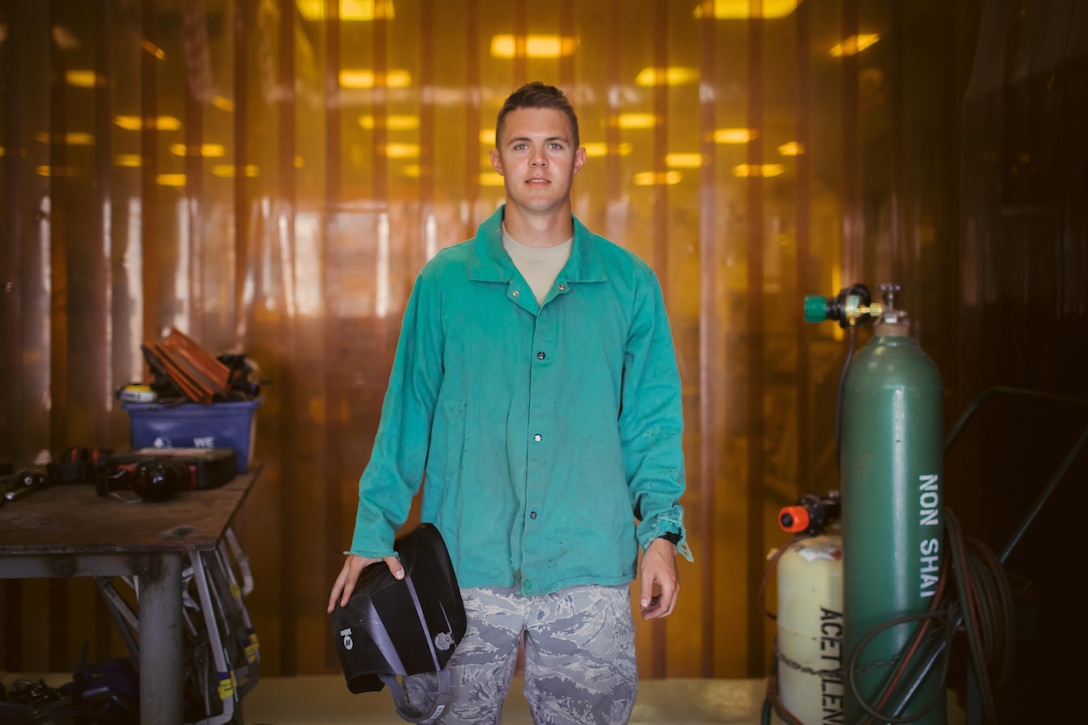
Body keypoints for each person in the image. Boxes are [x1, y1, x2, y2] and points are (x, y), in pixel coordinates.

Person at [328, 81, 692, 724]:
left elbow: (652, 425)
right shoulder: (446, 281)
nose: (538, 161)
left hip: (588, 569)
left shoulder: (629, 284)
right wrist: (370, 532)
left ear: (579, 158)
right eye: (521, 145)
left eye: (554, 145)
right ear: (497, 158)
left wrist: (659, 535)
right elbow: (405, 415)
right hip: (464, 570)